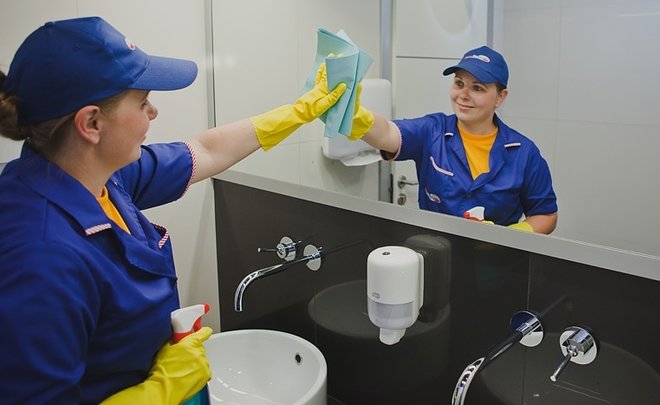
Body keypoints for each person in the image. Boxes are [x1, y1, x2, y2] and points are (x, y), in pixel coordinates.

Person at [0, 16, 346, 404]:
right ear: (92, 123)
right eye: (142, 101)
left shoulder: (99, 176)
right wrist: (162, 389)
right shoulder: (40, 256)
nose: (153, 112)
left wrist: (299, 111)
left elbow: (206, 151)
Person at [349, 46, 558, 234]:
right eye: (459, 83)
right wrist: (354, 115)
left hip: (498, 261)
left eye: (477, 88)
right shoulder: (433, 130)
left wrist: (508, 237)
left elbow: (546, 215)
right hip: (435, 253)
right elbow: (387, 133)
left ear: (500, 97)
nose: (463, 95)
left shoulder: (524, 153)